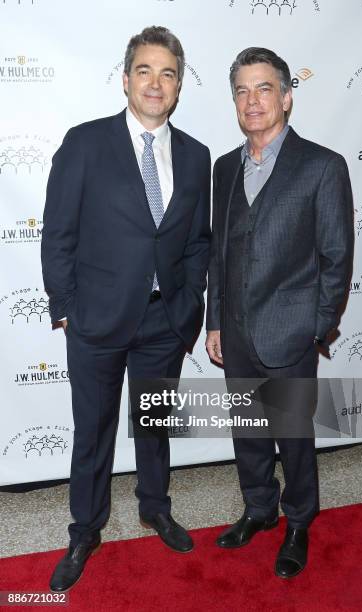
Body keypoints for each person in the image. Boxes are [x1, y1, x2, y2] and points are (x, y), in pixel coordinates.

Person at [41, 26, 211, 592]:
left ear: (179, 86)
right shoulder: (86, 142)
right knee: (92, 431)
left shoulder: (195, 155)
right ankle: (85, 529)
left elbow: (196, 241)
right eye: (145, 70)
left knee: (155, 424)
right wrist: (65, 308)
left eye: (167, 73)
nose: (155, 83)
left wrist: (188, 305)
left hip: (166, 320)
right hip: (96, 321)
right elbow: (59, 232)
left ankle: (154, 507)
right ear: (125, 79)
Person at [206, 47, 353, 578]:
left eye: (264, 88)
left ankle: (297, 521)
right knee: (248, 428)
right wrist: (215, 320)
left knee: (293, 437)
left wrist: (315, 326)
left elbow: (337, 257)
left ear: (287, 97)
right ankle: (259, 509)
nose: (253, 100)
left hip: (291, 332)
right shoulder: (224, 168)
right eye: (242, 90)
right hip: (238, 332)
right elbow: (218, 252)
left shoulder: (322, 166)